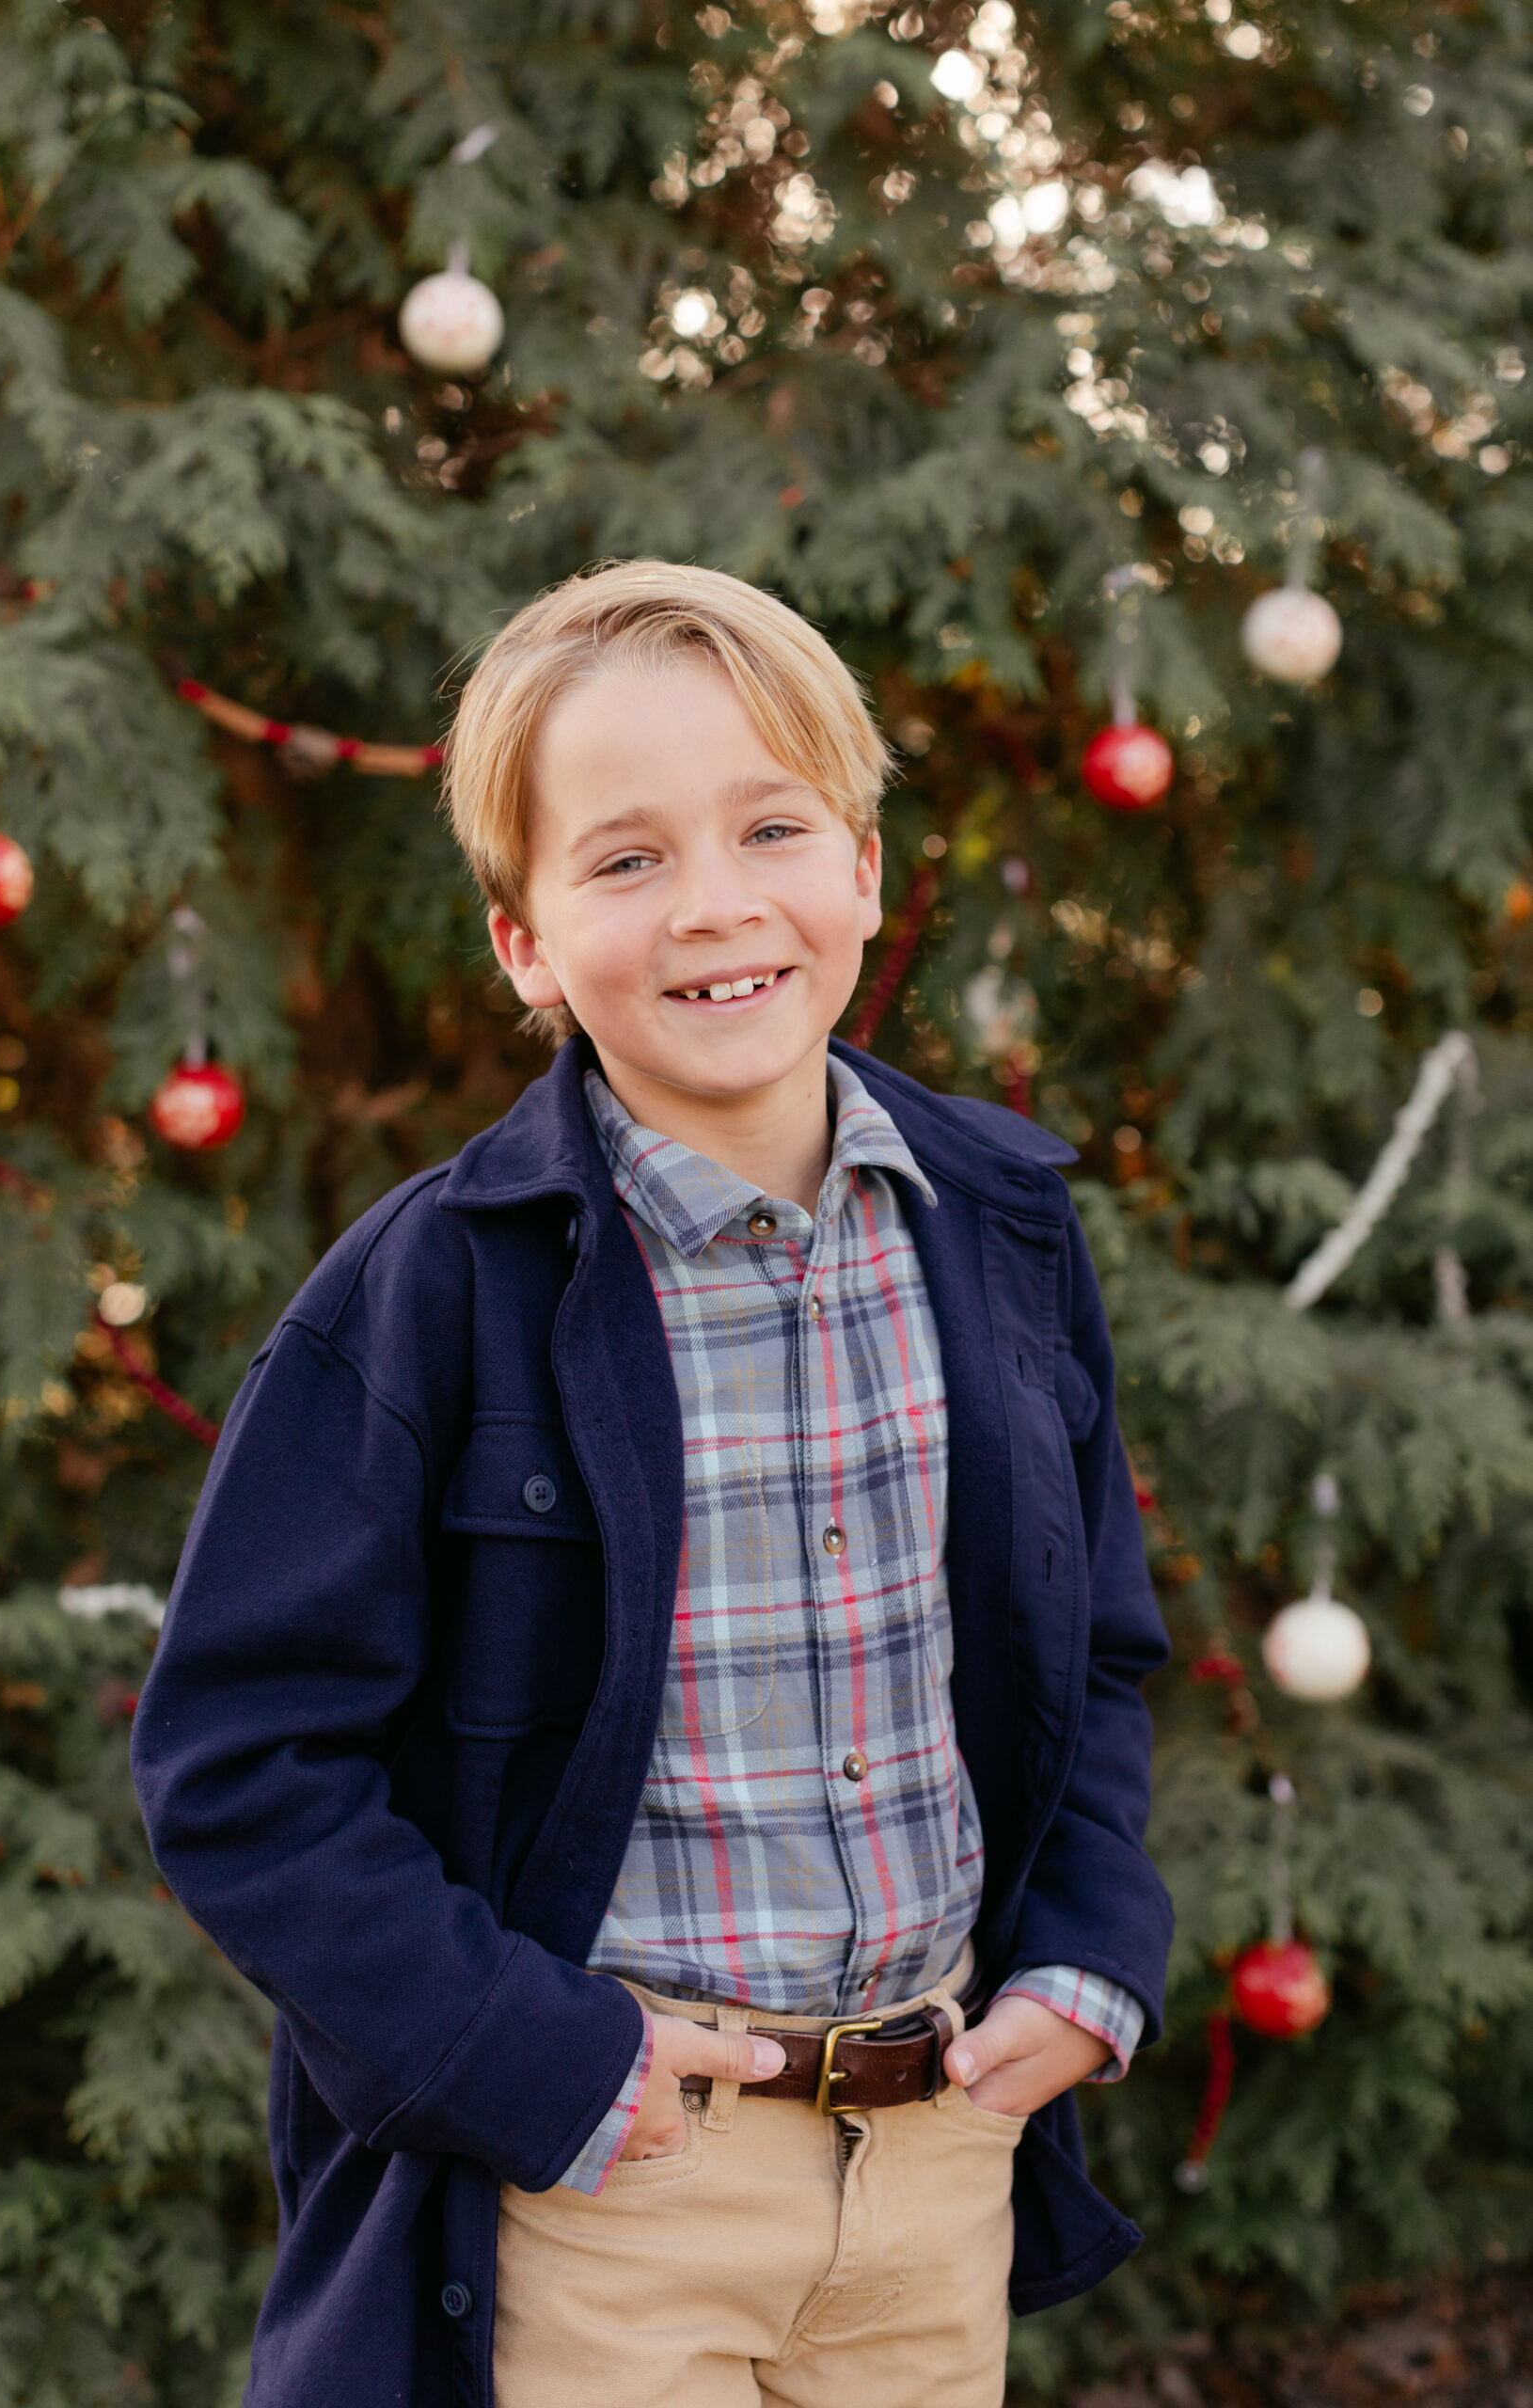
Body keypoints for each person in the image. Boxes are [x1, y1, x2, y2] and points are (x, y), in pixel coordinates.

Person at [132, 560, 1173, 2408]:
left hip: (933, 2170)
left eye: (769, 826)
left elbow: (1088, 1644)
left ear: (859, 862)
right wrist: (541, 2059)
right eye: (620, 860)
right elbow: (240, 1769)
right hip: (612, 2190)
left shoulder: (999, 1224)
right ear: (523, 941)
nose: (712, 906)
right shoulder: (434, 1292)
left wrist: (1090, 1943)